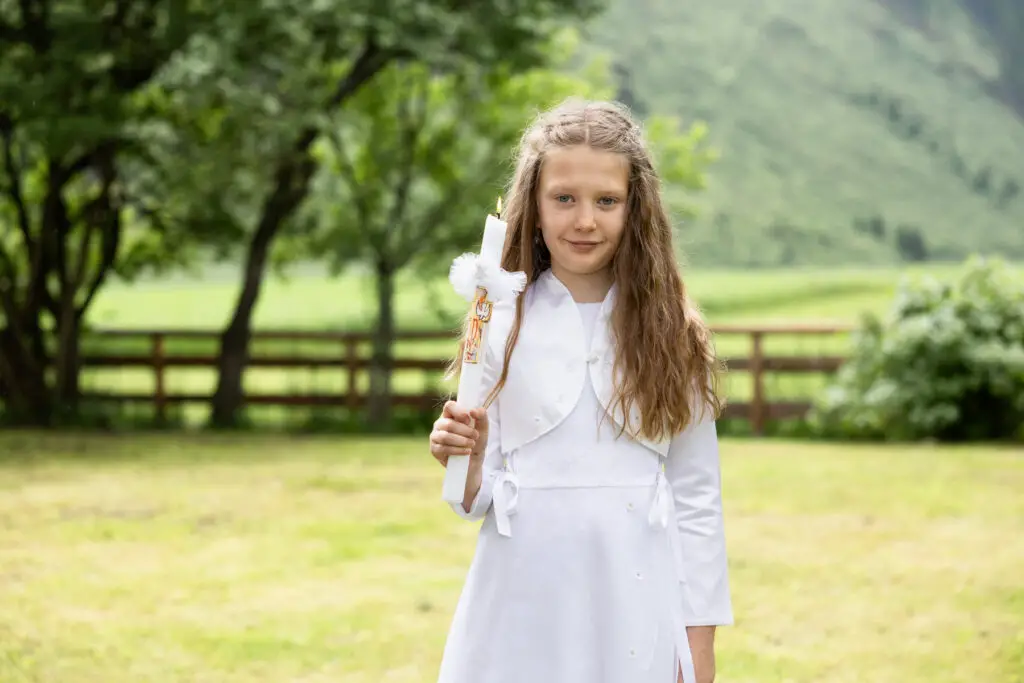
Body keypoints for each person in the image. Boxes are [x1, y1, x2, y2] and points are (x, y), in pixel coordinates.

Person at [428, 98, 733, 683]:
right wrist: (461, 458)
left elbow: (697, 499)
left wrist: (698, 641)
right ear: (534, 208)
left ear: (635, 208)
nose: (584, 220)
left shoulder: (673, 331)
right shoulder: (500, 322)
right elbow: (475, 499)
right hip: (522, 597)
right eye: (564, 198)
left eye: (606, 201)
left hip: (636, 595)